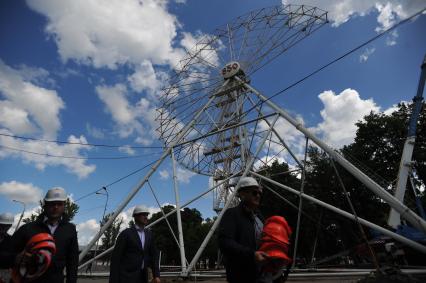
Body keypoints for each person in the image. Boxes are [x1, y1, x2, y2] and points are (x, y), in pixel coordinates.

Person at [10, 187, 79, 283]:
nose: (55, 207)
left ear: (64, 206)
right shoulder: (28, 229)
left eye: (59, 204)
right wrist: (16, 258)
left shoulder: (70, 229)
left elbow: (72, 262)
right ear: (45, 205)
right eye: (52, 203)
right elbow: (4, 253)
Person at [218, 176, 270, 283]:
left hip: (263, 275)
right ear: (242, 194)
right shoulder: (231, 214)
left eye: (260, 193)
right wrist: (252, 255)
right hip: (242, 276)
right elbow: (225, 242)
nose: (258, 196)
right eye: (254, 193)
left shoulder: (260, 217)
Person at [110, 205, 160, 283]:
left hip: (143, 277)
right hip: (126, 277)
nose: (146, 217)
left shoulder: (149, 235)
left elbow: (154, 255)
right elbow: (116, 258)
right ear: (135, 217)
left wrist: (156, 275)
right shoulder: (126, 234)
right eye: (143, 215)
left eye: (147, 215)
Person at [0, 212, 15, 283]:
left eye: (6, 226)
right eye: (1, 225)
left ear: (10, 226)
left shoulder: (11, 240)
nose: (2, 228)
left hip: (5, 273)